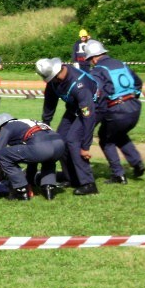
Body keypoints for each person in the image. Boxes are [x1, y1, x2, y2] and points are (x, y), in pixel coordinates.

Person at [84, 40, 145, 184]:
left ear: (93, 58)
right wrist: (131, 97)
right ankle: (137, 163)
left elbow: (99, 94)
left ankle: (118, 174)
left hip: (118, 109)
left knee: (106, 138)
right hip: (135, 107)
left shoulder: (98, 70)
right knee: (119, 134)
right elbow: (138, 82)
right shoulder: (121, 63)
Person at [35, 57, 99, 195]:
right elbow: (50, 102)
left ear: (57, 72)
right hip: (74, 109)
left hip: (92, 109)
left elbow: (88, 114)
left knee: (73, 140)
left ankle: (88, 184)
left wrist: (86, 146)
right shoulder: (54, 82)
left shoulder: (78, 84)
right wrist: (45, 124)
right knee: (60, 140)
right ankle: (72, 179)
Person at [0, 113, 65, 201]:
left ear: (1, 127)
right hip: (60, 145)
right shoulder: (26, 121)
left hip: (42, 146)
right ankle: (48, 188)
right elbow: (32, 158)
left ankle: (21, 190)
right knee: (48, 159)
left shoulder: (8, 126)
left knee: (2, 155)